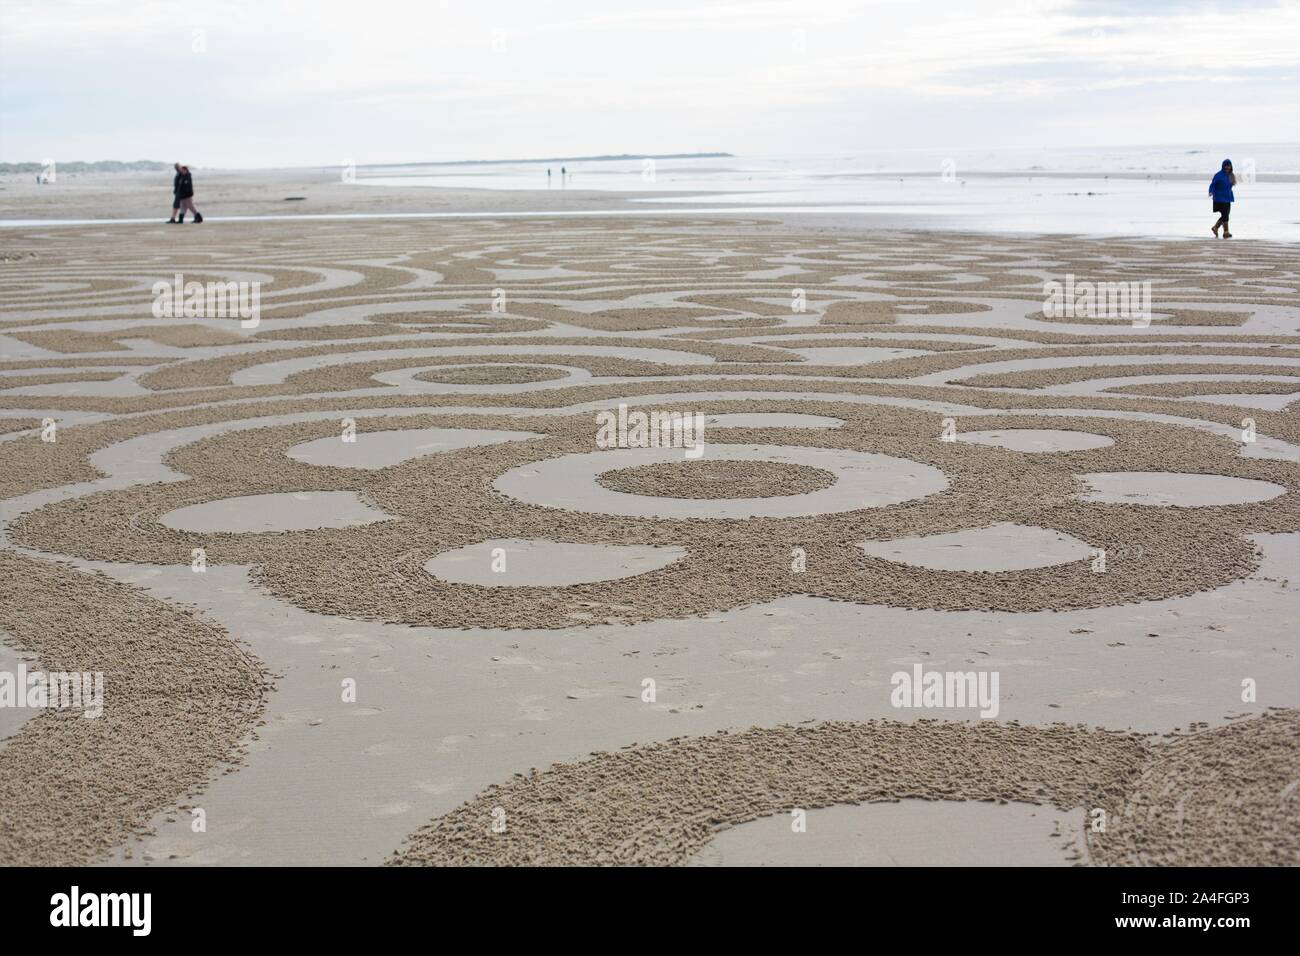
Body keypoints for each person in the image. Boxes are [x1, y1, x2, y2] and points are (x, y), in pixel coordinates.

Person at [1209, 158, 1235, 238]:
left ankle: (1215, 227)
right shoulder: (1218, 175)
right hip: (1219, 198)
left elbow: (1230, 186)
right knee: (1225, 215)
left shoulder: (1231, 175)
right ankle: (1226, 232)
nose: (1227, 167)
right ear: (1223, 166)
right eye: (1226, 166)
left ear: (1231, 166)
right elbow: (1212, 184)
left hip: (1227, 198)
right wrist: (1210, 191)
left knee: (1226, 215)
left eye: (1229, 166)